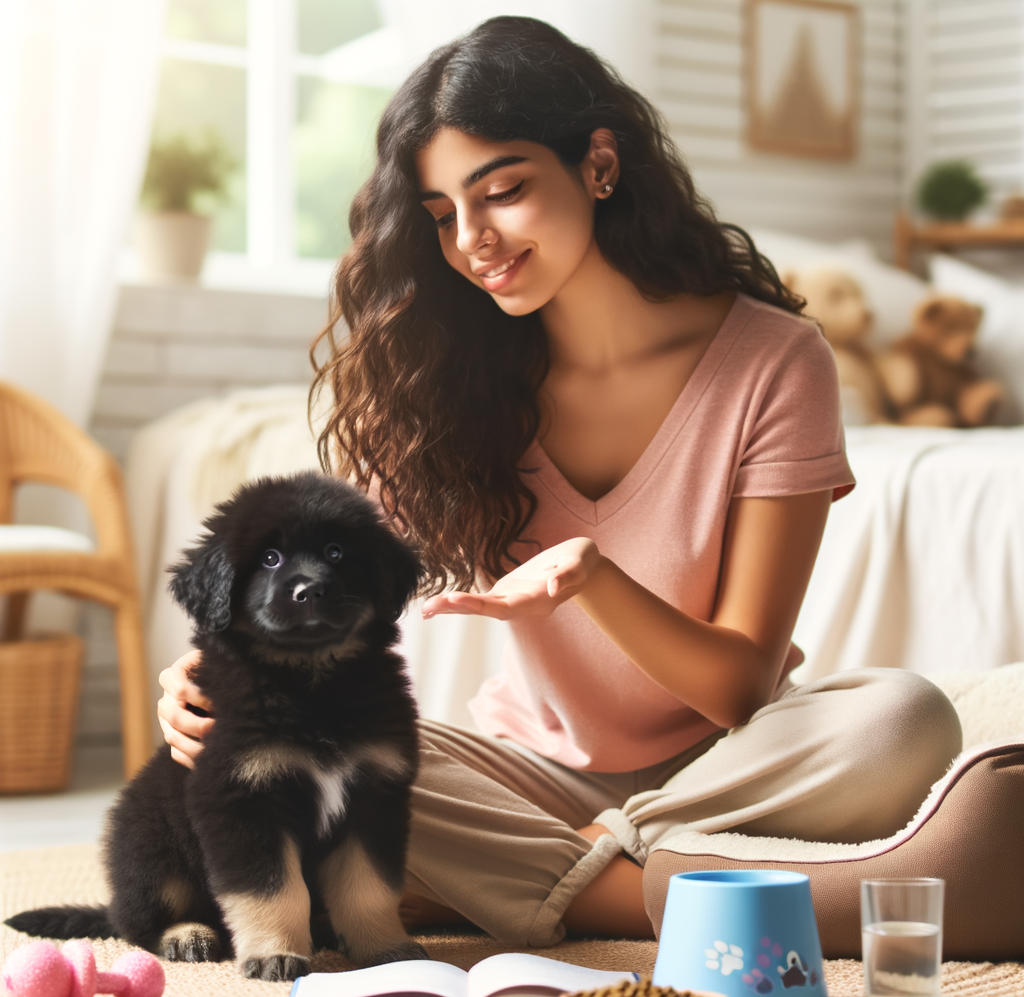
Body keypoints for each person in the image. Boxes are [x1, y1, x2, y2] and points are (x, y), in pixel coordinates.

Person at [157, 16, 961, 946]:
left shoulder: (776, 363)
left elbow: (739, 688)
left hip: (734, 765)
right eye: (441, 215)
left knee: (903, 721)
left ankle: (550, 882)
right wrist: (213, 679)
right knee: (257, 757)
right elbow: (326, 579)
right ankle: (635, 887)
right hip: (522, 777)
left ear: (599, 164)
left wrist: (594, 581)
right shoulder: (434, 387)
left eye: (501, 192)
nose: (473, 241)